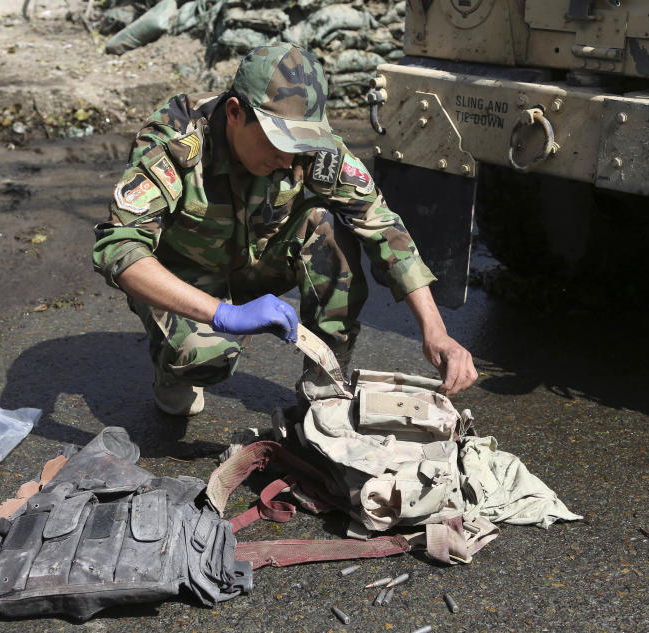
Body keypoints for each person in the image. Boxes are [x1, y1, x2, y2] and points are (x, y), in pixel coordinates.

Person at [93, 43, 477, 416]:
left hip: (259, 261)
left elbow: (380, 222)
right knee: (205, 359)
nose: (288, 158)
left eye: (300, 144)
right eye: (279, 141)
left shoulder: (305, 146)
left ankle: (326, 378)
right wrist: (224, 315)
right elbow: (120, 248)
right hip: (186, 275)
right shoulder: (177, 141)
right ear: (234, 113)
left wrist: (435, 330)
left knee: (327, 228)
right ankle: (173, 369)